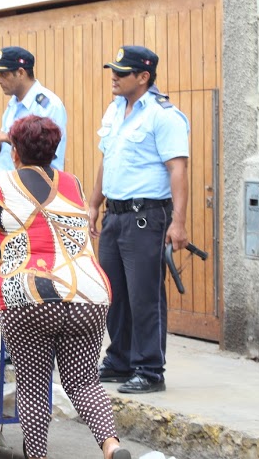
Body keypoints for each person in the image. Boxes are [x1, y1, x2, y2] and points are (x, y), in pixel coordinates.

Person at [0, 115, 130, 459]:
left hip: (29, 295)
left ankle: (37, 456)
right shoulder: (74, 183)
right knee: (84, 382)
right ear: (53, 151)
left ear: (14, 150)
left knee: (34, 385)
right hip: (89, 294)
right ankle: (111, 445)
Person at [87, 45, 189, 395]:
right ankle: (120, 360)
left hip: (146, 216)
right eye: (113, 69)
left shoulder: (164, 116)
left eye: (122, 71)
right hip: (115, 216)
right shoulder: (116, 110)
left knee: (144, 295)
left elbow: (178, 170)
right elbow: (107, 159)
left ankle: (149, 368)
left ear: (143, 77)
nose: (114, 76)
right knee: (113, 293)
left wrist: (178, 222)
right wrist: (93, 204)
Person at [0, 46, 67, 174]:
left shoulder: (49, 105)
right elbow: (9, 154)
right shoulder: (13, 104)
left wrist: (3, 136)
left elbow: (42, 153)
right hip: (4, 183)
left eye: (4, 74)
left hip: (34, 187)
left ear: (20, 73)